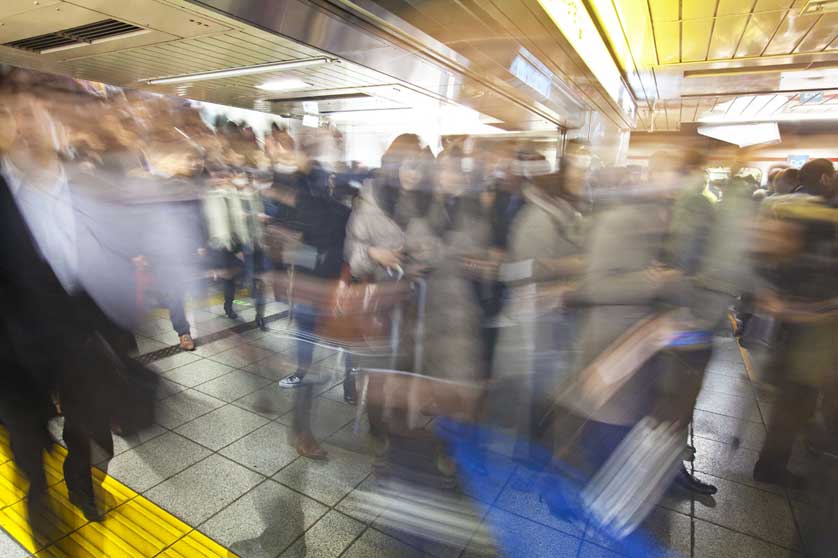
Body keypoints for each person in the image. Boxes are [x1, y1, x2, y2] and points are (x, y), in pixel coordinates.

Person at [752, 158, 838, 488]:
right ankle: (775, 464)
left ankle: (782, 457)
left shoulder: (789, 208)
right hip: (817, 324)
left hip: (796, 319)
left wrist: (777, 299)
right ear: (826, 179)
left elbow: (767, 262)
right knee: (799, 395)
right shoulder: (822, 217)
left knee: (797, 393)